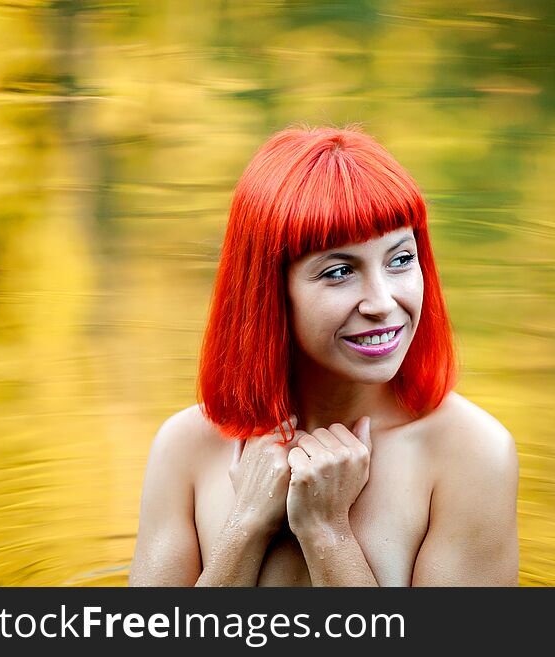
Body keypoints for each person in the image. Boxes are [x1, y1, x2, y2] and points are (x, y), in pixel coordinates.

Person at [128, 125, 519, 586]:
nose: (382, 301)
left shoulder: (471, 453)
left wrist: (327, 532)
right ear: (269, 292)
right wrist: (246, 526)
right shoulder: (185, 446)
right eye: (338, 271)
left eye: (399, 259)